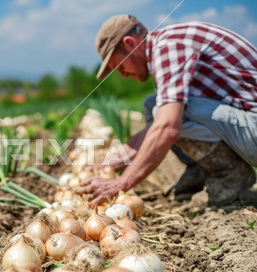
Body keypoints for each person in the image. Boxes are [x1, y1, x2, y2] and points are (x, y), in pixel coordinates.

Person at [77, 14, 257, 206]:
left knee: (167, 113)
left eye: (119, 66)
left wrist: (121, 183)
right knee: (155, 105)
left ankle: (229, 173)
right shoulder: (168, 45)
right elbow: (156, 127)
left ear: (130, 43)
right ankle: (202, 169)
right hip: (246, 128)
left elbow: (167, 127)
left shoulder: (169, 47)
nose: (122, 75)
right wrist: (109, 164)